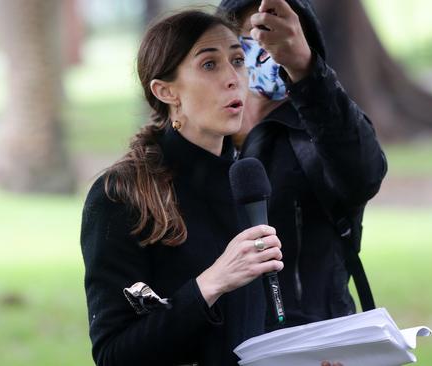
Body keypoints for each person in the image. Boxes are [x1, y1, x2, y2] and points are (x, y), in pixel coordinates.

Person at [80, 10, 284, 365]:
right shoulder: (120, 195)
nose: (234, 78)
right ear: (166, 90)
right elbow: (113, 355)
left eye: (238, 60)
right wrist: (211, 283)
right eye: (209, 65)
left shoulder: (247, 181)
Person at [217, 0, 388, 328]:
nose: (264, 46)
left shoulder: (323, 129)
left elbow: (364, 174)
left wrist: (305, 71)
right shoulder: (205, 137)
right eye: (251, 34)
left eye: (275, 32)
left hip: (316, 341)